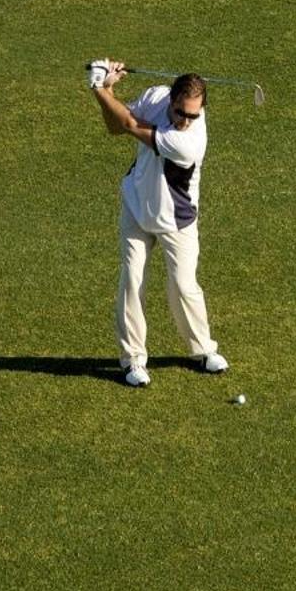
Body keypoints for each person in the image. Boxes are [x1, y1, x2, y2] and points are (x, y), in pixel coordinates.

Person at [88, 59, 229, 388]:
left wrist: (98, 88)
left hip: (176, 220)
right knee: (132, 279)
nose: (185, 120)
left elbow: (127, 123)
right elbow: (114, 126)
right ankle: (133, 360)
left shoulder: (188, 141)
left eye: (193, 114)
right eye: (180, 112)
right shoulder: (155, 97)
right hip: (137, 207)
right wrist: (109, 89)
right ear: (171, 100)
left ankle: (203, 350)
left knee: (184, 285)